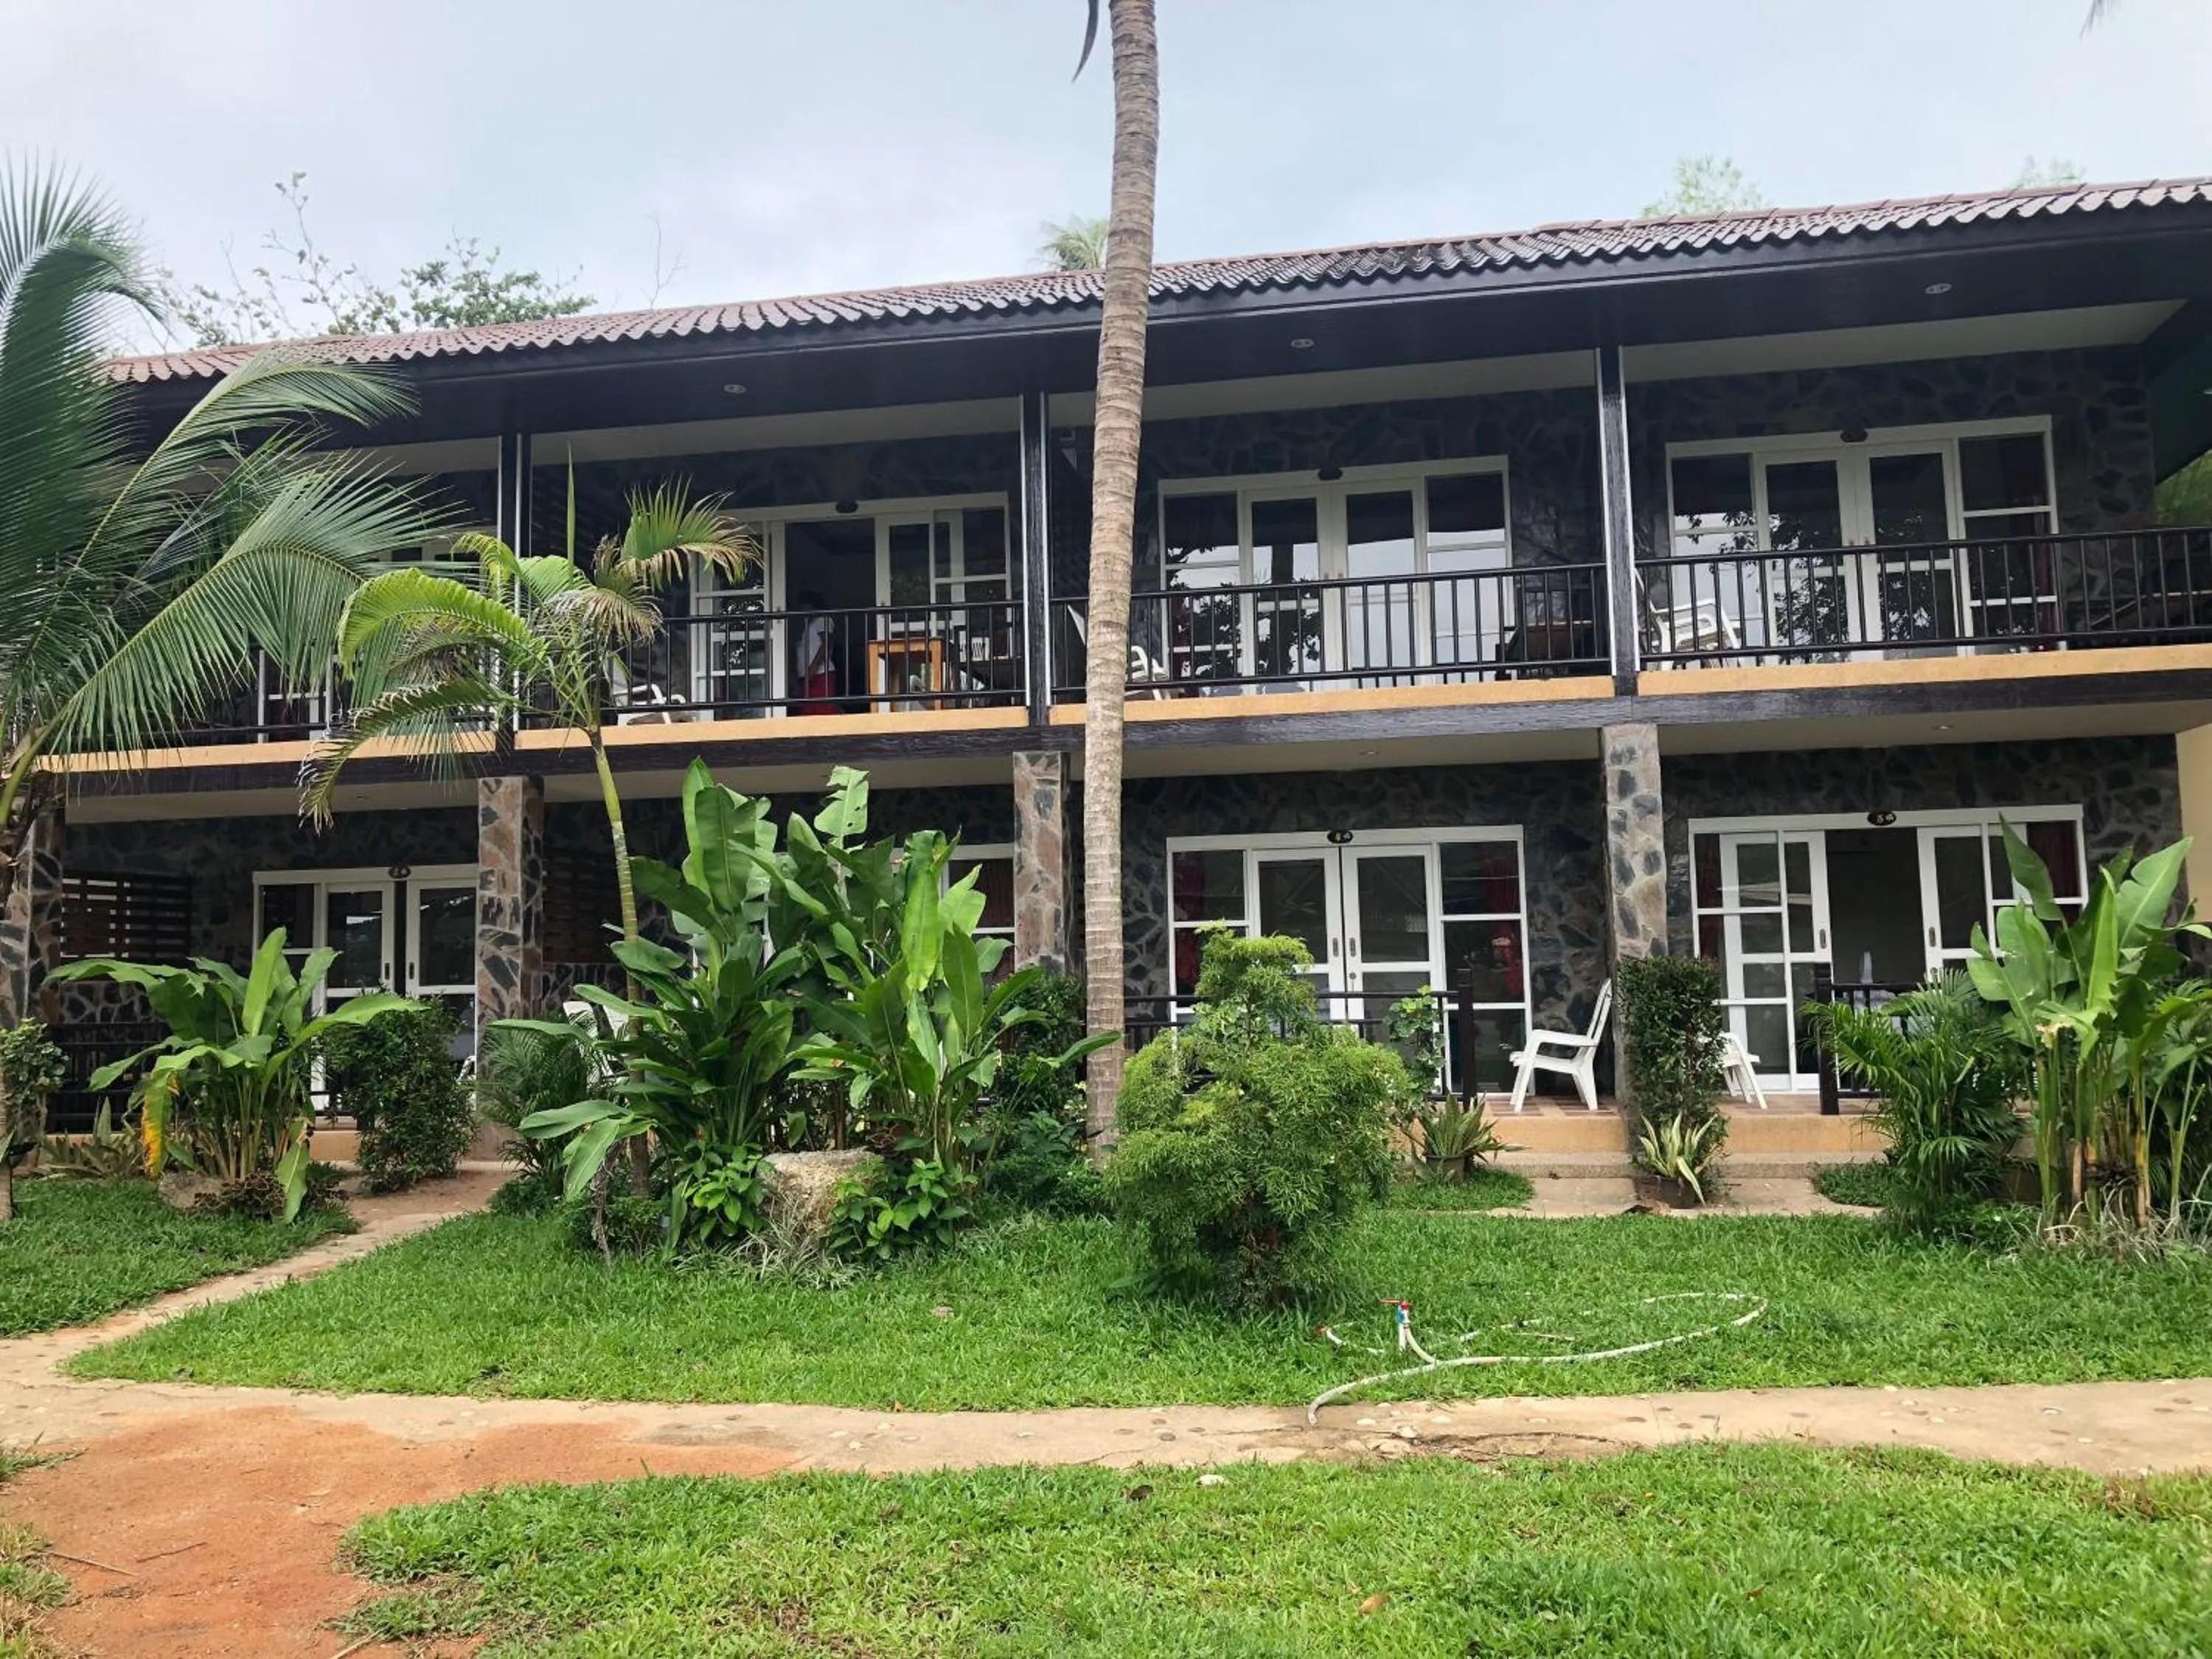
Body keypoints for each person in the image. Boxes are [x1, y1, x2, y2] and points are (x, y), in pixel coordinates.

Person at [793, 591, 840, 714]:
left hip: (820, 673)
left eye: (803, 606)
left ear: (810, 605)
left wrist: (814, 666)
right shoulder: (810, 625)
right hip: (809, 675)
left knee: (822, 710)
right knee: (810, 710)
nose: (801, 610)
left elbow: (827, 643)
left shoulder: (822, 619)